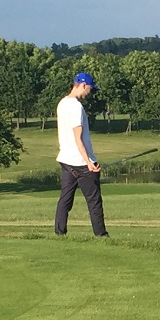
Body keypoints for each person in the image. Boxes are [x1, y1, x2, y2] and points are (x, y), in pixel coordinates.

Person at [54, 71, 108, 237]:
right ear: (84, 85)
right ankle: (101, 235)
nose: (89, 92)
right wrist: (89, 162)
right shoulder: (76, 107)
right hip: (81, 163)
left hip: (66, 160)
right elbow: (78, 138)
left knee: (65, 199)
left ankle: (59, 232)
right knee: (94, 201)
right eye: (90, 89)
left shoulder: (62, 103)